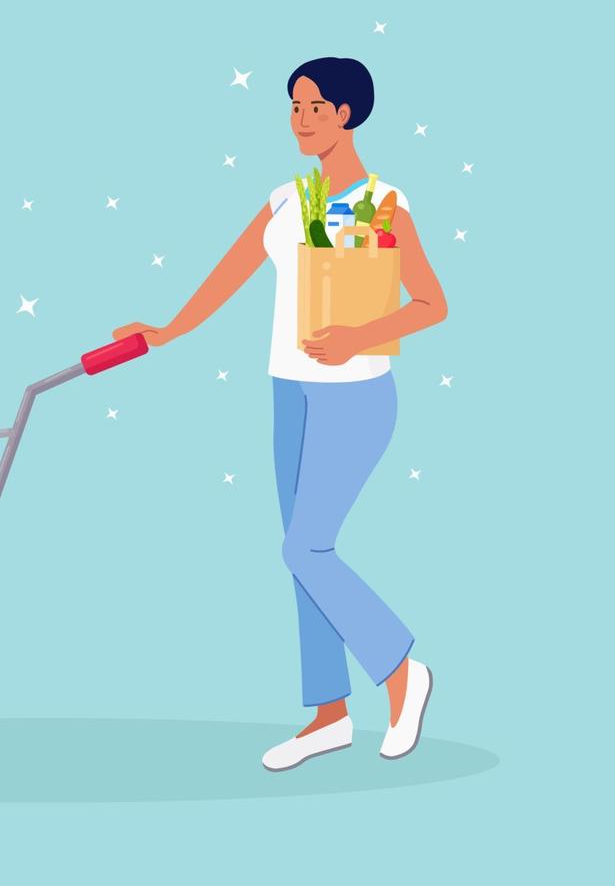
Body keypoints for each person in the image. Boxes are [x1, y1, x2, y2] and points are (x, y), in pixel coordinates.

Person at [114, 57, 447, 771]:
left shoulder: (384, 204)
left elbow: (431, 302)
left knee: (305, 548)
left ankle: (399, 672)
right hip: (285, 392)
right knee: (298, 557)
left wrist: (356, 337)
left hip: (355, 394)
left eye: (315, 108)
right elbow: (227, 275)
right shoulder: (284, 201)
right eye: (293, 106)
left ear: (348, 115)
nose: (300, 120)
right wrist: (168, 331)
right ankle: (327, 714)